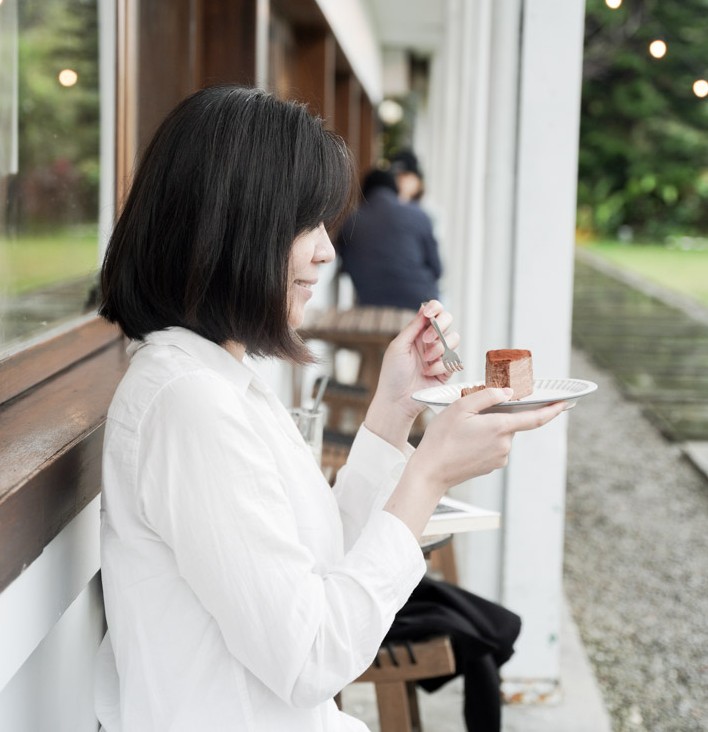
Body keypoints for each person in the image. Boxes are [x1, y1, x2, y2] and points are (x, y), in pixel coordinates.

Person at [92, 86, 564, 731]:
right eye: (304, 224)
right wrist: (427, 474)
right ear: (231, 228)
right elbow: (314, 656)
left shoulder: (221, 377)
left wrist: (393, 412)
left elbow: (319, 561)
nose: (327, 251)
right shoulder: (189, 404)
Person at [336, 151, 442, 310]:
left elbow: (345, 265)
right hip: (420, 306)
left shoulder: (350, 222)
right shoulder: (420, 215)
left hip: (371, 307)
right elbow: (437, 269)